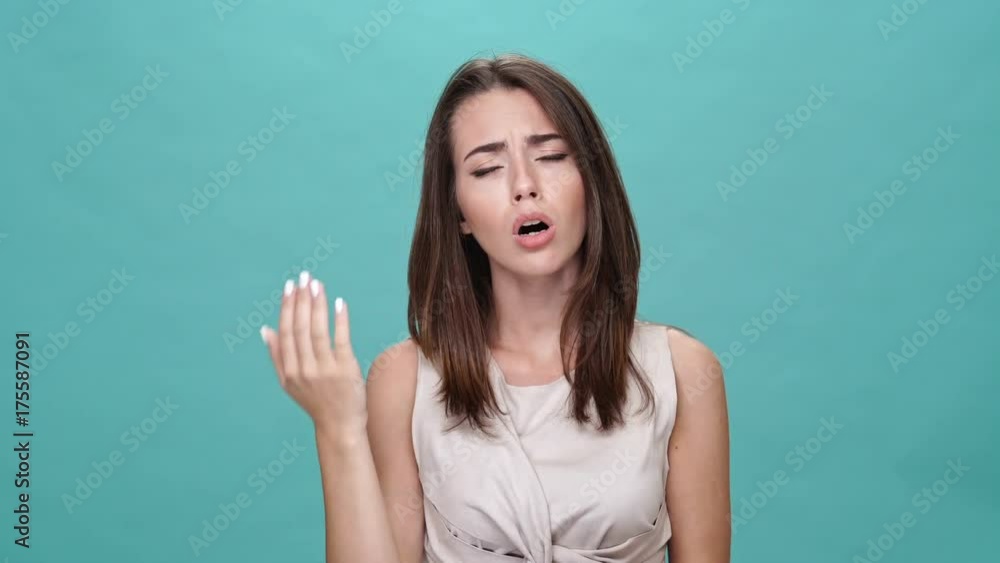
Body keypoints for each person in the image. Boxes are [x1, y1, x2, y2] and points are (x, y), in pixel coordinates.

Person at [260, 53, 731, 563]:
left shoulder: (681, 371)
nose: (524, 185)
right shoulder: (404, 381)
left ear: (591, 179)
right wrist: (339, 430)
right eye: (487, 168)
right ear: (458, 211)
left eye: (552, 157)